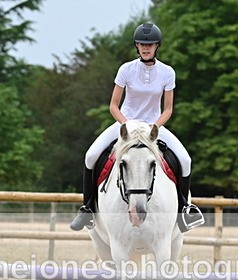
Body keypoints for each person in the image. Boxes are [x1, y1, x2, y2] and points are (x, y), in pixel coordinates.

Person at [69, 22, 204, 232]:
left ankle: (184, 211)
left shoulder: (168, 72)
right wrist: (126, 124)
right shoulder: (126, 69)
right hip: (125, 124)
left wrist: (154, 128)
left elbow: (168, 109)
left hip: (153, 127)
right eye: (142, 44)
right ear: (136, 46)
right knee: (90, 155)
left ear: (157, 46)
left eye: (150, 45)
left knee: (185, 160)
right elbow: (113, 105)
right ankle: (87, 208)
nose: (146, 48)